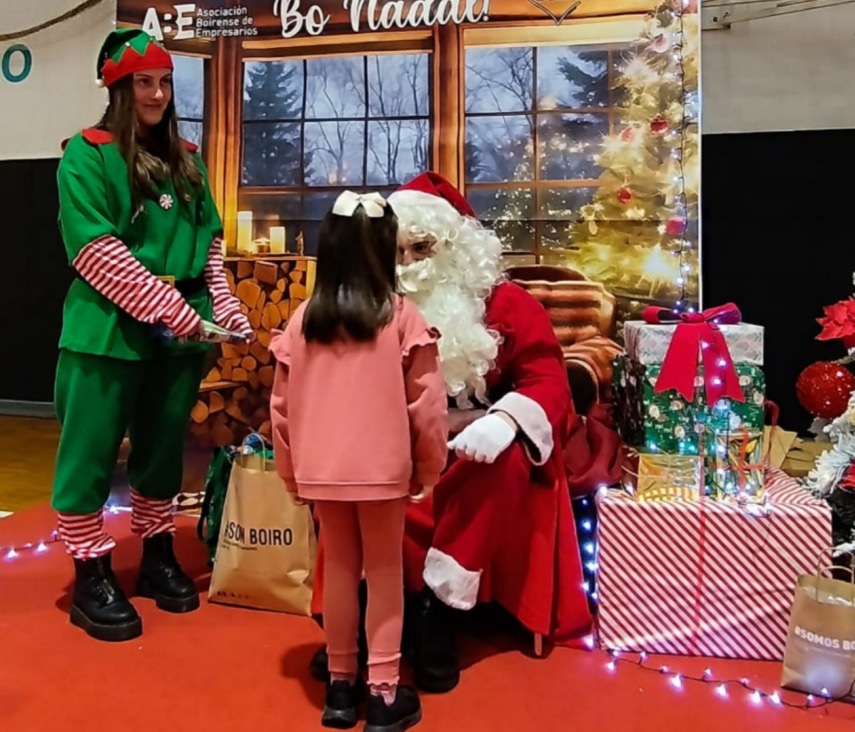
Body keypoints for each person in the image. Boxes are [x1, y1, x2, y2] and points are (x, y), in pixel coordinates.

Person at [309, 172, 592, 692]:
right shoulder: (366, 304)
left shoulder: (506, 304)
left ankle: (436, 608)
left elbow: (549, 380)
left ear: (458, 247)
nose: (410, 265)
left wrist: (505, 420)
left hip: (479, 443)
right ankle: (363, 617)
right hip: (395, 441)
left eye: (423, 248)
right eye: (397, 253)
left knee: (499, 461)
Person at [53, 28, 250, 642]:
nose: (158, 93)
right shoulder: (86, 155)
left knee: (164, 445)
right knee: (89, 449)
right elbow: (97, 249)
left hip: (180, 332)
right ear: (118, 87)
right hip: (109, 328)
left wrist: (222, 302)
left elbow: (210, 246)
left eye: (164, 82)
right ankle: (90, 568)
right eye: (144, 82)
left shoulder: (185, 160)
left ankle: (157, 549)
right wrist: (166, 306)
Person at [270, 191, 448, 730]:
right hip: (384, 472)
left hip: (322, 470)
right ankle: (386, 692)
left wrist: (291, 473)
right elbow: (428, 404)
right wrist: (428, 466)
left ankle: (342, 688)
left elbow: (281, 407)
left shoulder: (303, 320)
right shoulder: (401, 317)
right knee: (386, 572)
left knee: (341, 571)